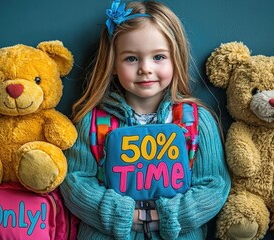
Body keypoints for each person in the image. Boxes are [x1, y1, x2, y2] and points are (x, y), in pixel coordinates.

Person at [60, 1, 231, 239]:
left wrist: (165, 217)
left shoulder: (197, 121)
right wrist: (126, 216)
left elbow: (213, 185)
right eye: (131, 59)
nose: (145, 69)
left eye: (159, 57)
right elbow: (76, 183)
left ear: (176, 59)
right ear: (113, 64)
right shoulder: (92, 122)